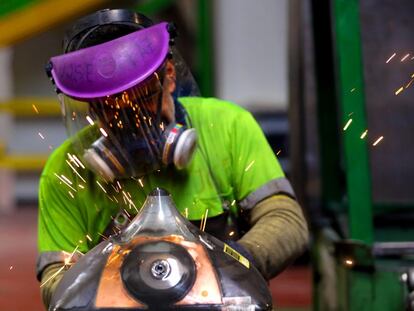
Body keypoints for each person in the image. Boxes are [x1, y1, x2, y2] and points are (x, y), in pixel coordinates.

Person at [37, 8, 309, 308]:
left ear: (168, 77)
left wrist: (229, 265)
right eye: (110, 111)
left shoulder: (227, 126)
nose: (129, 125)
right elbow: (56, 278)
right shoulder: (67, 171)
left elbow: (286, 221)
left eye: (139, 103)